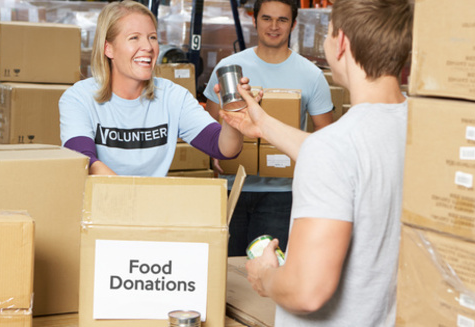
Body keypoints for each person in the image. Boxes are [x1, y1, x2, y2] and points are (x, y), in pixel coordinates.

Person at [219, 0, 413, 325]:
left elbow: (306, 291)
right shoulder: (418, 127)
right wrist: (263, 124)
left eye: (328, 33)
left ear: (342, 44)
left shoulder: (336, 148)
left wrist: (264, 275)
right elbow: (344, 158)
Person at [203, 0, 334, 256]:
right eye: (267, 18)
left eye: (282, 20)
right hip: (233, 187)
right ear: (255, 21)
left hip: (281, 194)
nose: (274, 26)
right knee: (225, 273)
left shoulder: (310, 75)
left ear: (293, 24)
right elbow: (209, 123)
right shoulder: (228, 69)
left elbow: (326, 133)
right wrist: (214, 154)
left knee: (269, 276)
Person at [59, 0, 244, 176]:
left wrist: (233, 116)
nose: (148, 46)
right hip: (99, 204)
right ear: (108, 49)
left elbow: (223, 148)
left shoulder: (173, 97)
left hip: (150, 204)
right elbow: (83, 161)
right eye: (134, 38)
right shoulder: (79, 98)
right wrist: (135, 200)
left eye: (152, 37)